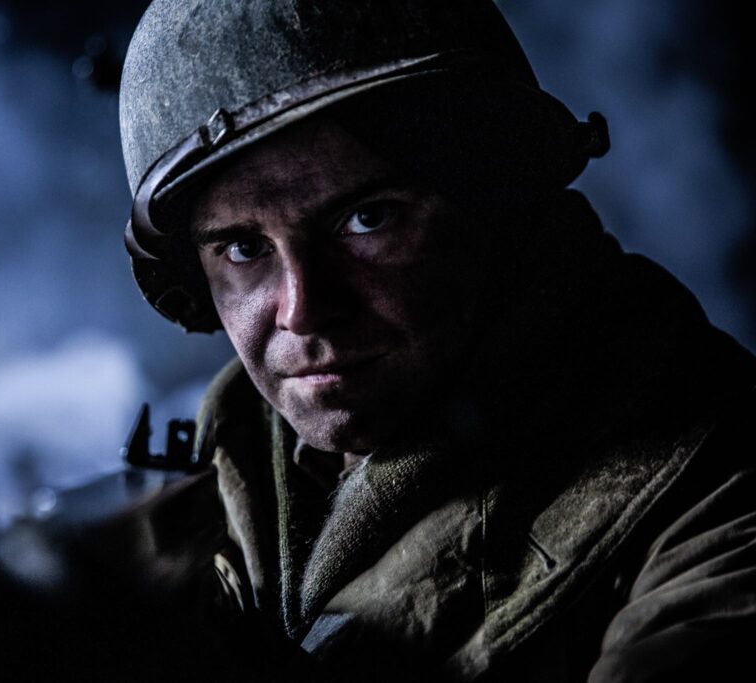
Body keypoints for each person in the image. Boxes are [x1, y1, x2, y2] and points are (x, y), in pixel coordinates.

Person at [118, 0, 756, 681]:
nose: (303, 309)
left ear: (499, 199)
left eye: (368, 218)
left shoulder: (714, 497)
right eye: (244, 247)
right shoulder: (224, 467)